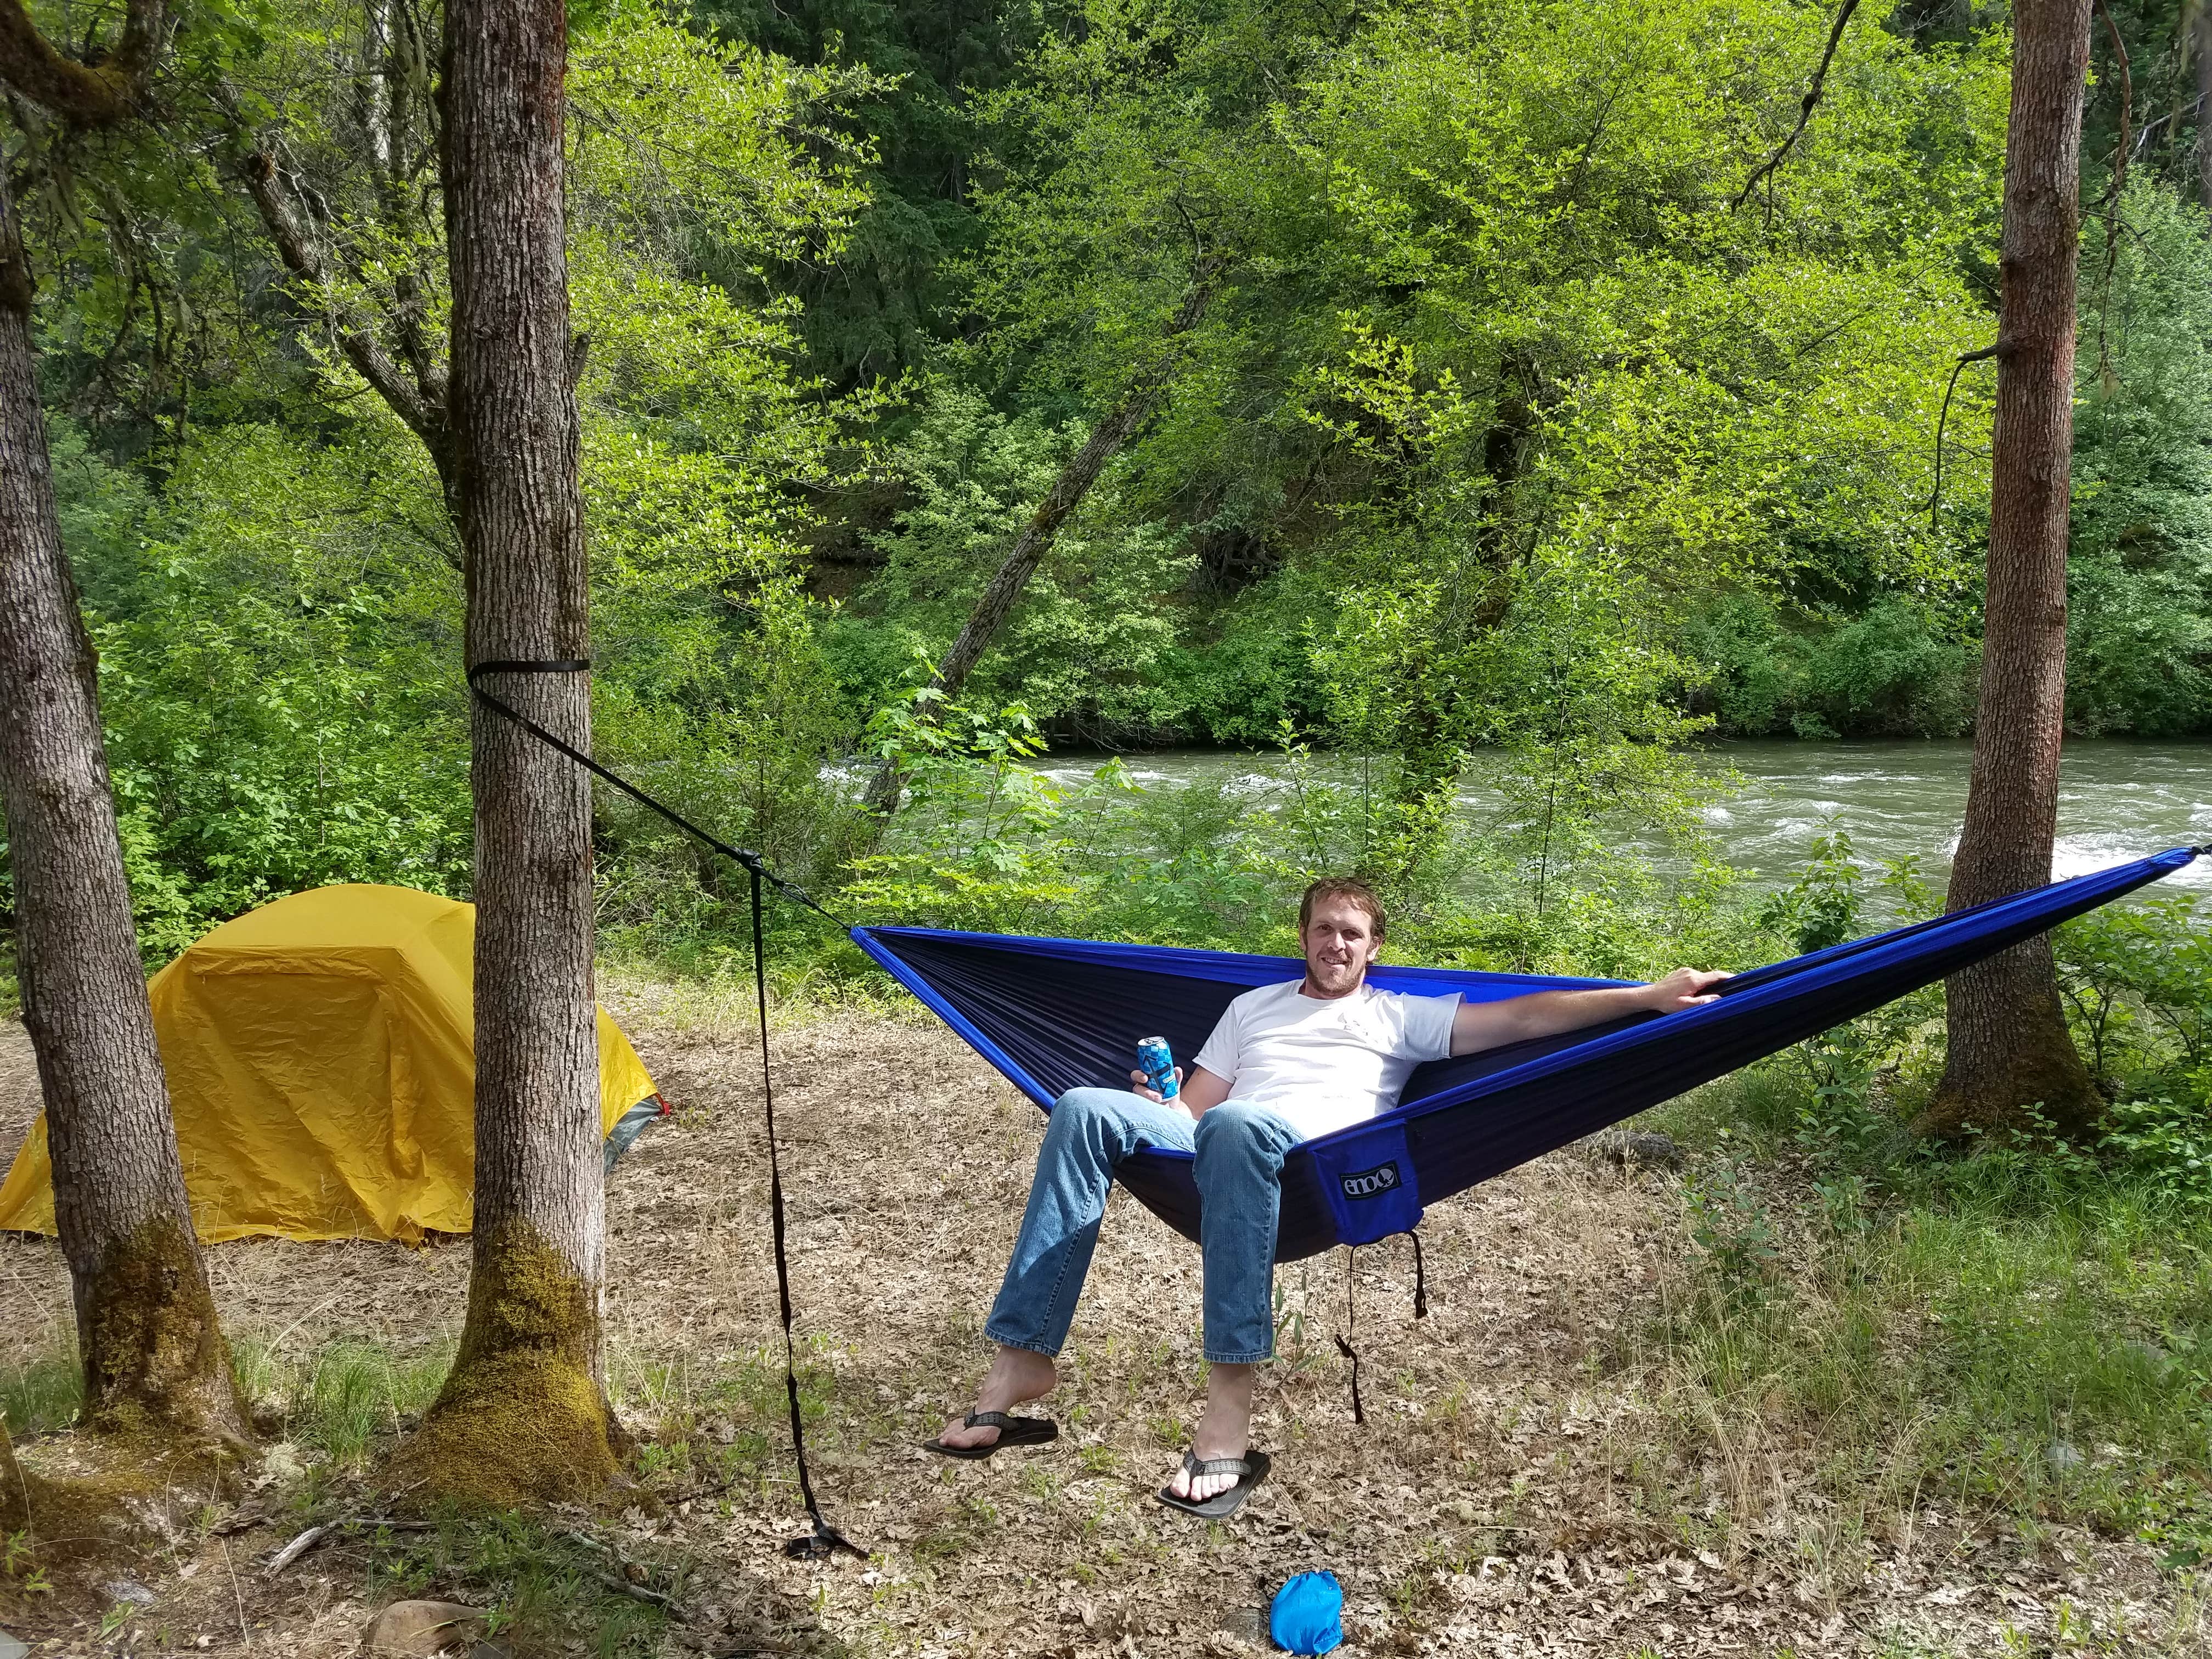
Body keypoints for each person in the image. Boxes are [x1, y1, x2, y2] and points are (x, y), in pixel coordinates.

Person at [928, 876, 1728, 1515]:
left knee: (1241, 1124)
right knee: (1081, 1105)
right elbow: (1192, 1113)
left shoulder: (1397, 1016)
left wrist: (1645, 997)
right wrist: (1154, 1100)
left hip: (1316, 1168)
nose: (1335, 943)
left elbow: (1521, 1018)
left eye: (1352, 932)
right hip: (1217, 1143)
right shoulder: (1251, 1008)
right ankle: (1022, 1361)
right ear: (1304, 938)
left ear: (1375, 947)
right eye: (1323, 929)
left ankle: (1228, 1407)